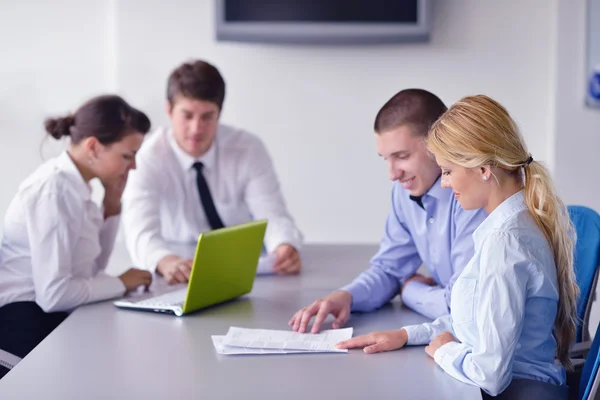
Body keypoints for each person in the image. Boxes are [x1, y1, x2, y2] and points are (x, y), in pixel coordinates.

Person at [337, 95, 578, 399]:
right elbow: (472, 322)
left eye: (448, 171)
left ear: (484, 169)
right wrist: (405, 335)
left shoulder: (506, 243)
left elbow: (490, 375)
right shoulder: (504, 228)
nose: (446, 184)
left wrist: (444, 351)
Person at [289, 89, 487, 333]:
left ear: (441, 143)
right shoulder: (404, 191)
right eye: (385, 159)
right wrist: (346, 297)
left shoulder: (473, 196)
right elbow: (390, 268)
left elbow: (463, 307)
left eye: (402, 156)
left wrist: (410, 291)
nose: (392, 174)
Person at [0, 95, 153, 378]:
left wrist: (111, 205)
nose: (132, 167)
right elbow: (55, 294)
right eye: (127, 155)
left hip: (47, 319)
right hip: (22, 327)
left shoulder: (78, 189)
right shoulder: (54, 190)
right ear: (93, 146)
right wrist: (120, 282)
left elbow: (92, 272)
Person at [122, 60, 303, 284]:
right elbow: (140, 231)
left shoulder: (248, 149)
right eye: (187, 115)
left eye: (207, 116)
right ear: (168, 109)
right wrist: (164, 260)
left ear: (219, 113)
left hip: (241, 269)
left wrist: (284, 245)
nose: (196, 129)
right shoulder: (147, 157)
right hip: (177, 271)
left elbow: (272, 213)